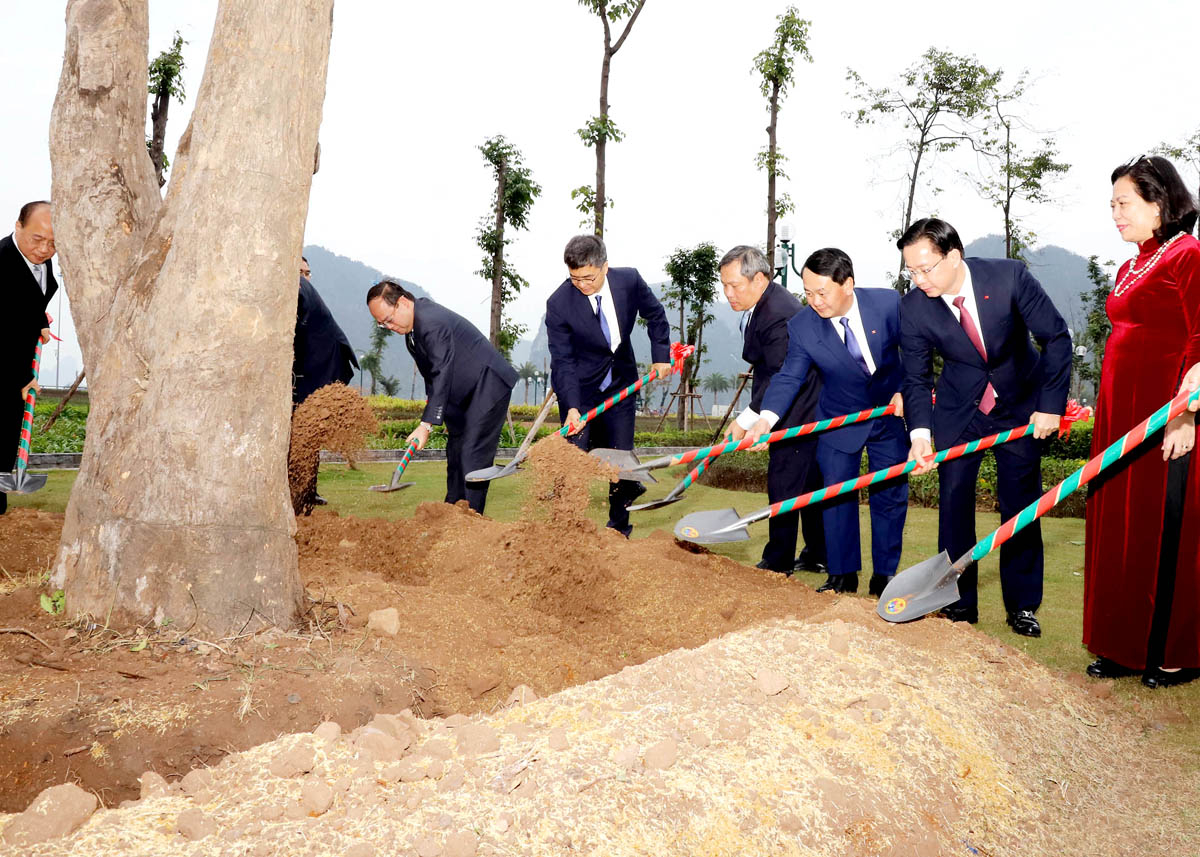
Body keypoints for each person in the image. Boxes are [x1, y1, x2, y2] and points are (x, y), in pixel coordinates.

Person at [899, 217, 1070, 636]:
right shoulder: (914, 306)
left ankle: (1023, 606)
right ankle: (958, 606)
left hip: (1020, 407)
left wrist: (1050, 406)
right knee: (954, 509)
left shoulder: (1008, 276)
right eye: (911, 271)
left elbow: (1057, 337)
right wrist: (920, 435)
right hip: (960, 412)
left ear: (953, 256)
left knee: (1021, 508)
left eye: (926, 269)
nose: (919, 279)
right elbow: (916, 378)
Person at [1084, 155, 1200, 689]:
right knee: (1120, 531)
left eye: (1123, 203)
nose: (1115, 214)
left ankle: (1173, 654)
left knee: (1161, 532)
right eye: (1112, 204)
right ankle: (1123, 645)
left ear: (1159, 204)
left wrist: (1185, 416)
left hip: (1165, 417)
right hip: (1119, 417)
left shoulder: (1188, 255)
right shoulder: (1131, 265)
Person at [747, 248, 907, 595]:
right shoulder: (803, 326)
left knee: (890, 496)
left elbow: (914, 351)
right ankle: (841, 575)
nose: (815, 301)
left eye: (822, 292)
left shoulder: (888, 304)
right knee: (835, 496)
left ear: (847, 284)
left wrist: (906, 390)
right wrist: (766, 420)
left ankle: (885, 576)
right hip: (839, 417)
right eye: (807, 293)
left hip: (889, 413)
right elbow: (789, 375)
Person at [545, 234, 671, 537]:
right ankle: (565, 531)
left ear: (605, 267)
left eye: (588, 277)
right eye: (575, 278)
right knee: (573, 458)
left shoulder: (628, 281)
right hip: (581, 389)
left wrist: (661, 356)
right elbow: (562, 361)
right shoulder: (559, 304)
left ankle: (618, 529)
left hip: (621, 382)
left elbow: (655, 314)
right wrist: (572, 406)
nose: (582, 284)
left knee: (620, 456)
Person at [721, 244, 827, 575]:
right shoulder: (763, 305)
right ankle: (818, 552)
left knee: (784, 481)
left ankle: (778, 560)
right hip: (789, 402)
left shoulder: (778, 313)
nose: (728, 293)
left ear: (760, 279)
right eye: (723, 285)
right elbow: (766, 369)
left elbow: (782, 373)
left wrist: (747, 419)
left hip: (799, 408)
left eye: (735, 285)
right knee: (810, 483)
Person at [367, 280, 516, 514]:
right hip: (464, 396)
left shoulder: (430, 321)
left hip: (488, 385)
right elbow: (432, 378)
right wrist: (438, 415)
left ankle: (470, 521)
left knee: (471, 454)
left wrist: (426, 425)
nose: (389, 327)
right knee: (455, 453)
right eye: (382, 324)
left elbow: (442, 370)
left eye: (388, 319)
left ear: (403, 303)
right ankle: (452, 513)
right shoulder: (413, 332)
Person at [1, 201, 56, 516]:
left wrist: (42, 322)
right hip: (7, 367)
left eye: (53, 243)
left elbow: (31, 301)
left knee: (8, 439)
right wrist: (22, 376)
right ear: (18, 226)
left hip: (16, 367)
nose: (45, 249)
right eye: (38, 239)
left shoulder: (41, 262)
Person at [294, 255, 359, 405]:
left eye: (307, 273)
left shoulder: (301, 288)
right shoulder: (304, 293)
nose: (303, 278)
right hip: (312, 362)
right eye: (299, 272)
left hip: (327, 362)